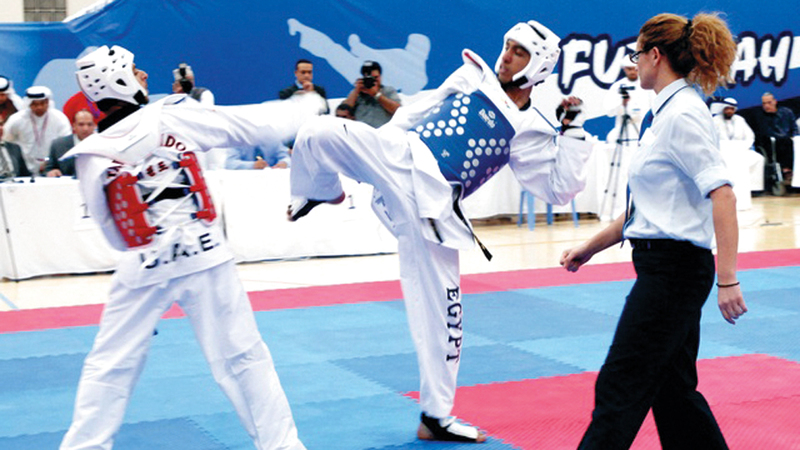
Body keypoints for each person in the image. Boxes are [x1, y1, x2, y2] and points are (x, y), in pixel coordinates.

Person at [288, 21, 592, 442]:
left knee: (445, 319)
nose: (506, 56)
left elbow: (559, 189)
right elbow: (416, 112)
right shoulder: (472, 76)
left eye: (519, 52)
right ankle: (323, 191)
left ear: (538, 66)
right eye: (507, 46)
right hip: (399, 159)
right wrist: (377, 154)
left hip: (436, 211)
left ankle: (435, 417)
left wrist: (573, 131)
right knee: (317, 131)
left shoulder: (530, 128)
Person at [59, 45, 320, 450]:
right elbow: (250, 125)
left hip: (143, 263)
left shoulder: (91, 154)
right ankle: (283, 445)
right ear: (117, 78)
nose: (144, 75)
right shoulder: (170, 115)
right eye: (134, 69)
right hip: (205, 253)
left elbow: (110, 230)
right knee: (243, 356)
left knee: (110, 364)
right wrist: (304, 109)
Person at [560, 13, 747, 450]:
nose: (635, 62)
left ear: (655, 55)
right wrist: (590, 247)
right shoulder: (662, 114)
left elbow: (723, 195)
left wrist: (728, 279)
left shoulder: (682, 115)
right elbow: (643, 210)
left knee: (619, 386)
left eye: (637, 54)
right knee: (673, 393)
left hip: (674, 273)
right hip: (664, 267)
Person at [3, 86, 71, 174]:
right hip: (23, 168)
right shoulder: (16, 119)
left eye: (42, 103)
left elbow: (64, 144)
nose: (39, 107)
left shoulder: (60, 118)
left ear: (48, 102)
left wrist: (50, 163)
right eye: (34, 104)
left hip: (51, 168)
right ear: (28, 103)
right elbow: (6, 142)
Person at [602, 58, 654, 145]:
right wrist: (622, 103)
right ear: (624, 69)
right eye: (629, 69)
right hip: (624, 128)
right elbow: (609, 111)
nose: (632, 72)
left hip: (644, 127)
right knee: (611, 139)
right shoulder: (617, 86)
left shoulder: (648, 85)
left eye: (635, 69)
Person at [342, 60, 402, 128]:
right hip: (361, 132)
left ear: (380, 76)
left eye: (376, 77)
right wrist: (356, 90)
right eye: (370, 78)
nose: (373, 81)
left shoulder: (388, 91)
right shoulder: (357, 94)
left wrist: (376, 95)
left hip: (382, 132)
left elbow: (398, 111)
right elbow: (343, 111)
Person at [752, 92, 797, 181]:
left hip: (788, 139)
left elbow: (794, 128)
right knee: (782, 142)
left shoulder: (786, 112)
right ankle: (786, 170)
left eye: (769, 102)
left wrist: (795, 137)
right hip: (771, 142)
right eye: (764, 103)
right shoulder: (761, 116)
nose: (766, 106)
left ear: (775, 102)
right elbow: (764, 132)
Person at [45, 109, 96, 177]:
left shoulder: (102, 145)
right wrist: (52, 172)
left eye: (89, 124)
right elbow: (48, 170)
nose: (85, 129)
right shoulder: (58, 145)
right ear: (74, 126)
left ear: (94, 126)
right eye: (81, 124)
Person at [225, 144, 291, 170]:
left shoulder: (272, 140)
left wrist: (285, 163)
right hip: (245, 181)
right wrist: (252, 165)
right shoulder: (237, 141)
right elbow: (229, 163)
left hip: (270, 180)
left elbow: (287, 157)